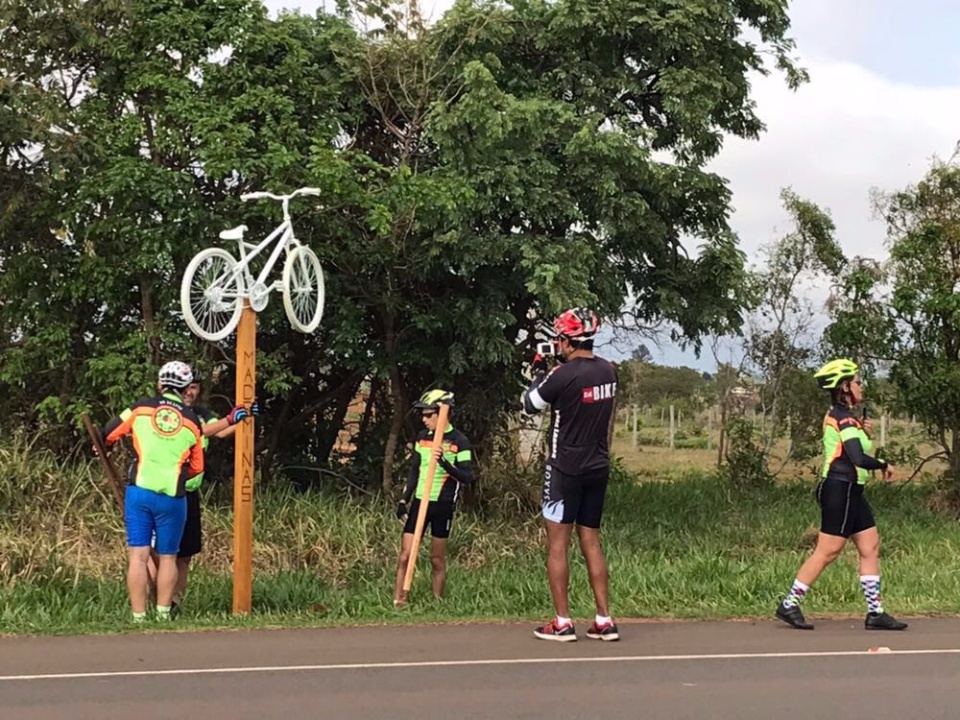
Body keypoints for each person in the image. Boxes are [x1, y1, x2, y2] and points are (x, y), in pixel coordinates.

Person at [775, 358, 908, 631]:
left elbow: (852, 448)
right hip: (840, 489)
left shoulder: (846, 418)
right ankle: (789, 604)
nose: (861, 386)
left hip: (852, 490)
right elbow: (857, 458)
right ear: (845, 386)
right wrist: (883, 464)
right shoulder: (843, 417)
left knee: (870, 545)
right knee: (828, 551)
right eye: (858, 382)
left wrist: (863, 431)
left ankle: (876, 613)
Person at [522, 307, 619, 642]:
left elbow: (531, 404)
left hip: (564, 468)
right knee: (591, 540)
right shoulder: (609, 371)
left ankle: (562, 621)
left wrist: (539, 372)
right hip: (598, 466)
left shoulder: (562, 375)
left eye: (559, 339)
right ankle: (604, 619)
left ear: (566, 340)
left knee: (557, 545)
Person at [170, 370, 243, 617]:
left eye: (195, 387)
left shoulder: (202, 413)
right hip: (166, 490)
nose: (190, 392)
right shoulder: (170, 412)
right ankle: (156, 600)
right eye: (187, 387)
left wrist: (244, 419)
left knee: (185, 553)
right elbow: (202, 430)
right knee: (159, 553)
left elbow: (220, 431)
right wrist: (231, 418)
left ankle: (174, 605)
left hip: (190, 493)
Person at [393, 389, 473, 606]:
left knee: (437, 559)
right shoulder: (422, 438)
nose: (424, 419)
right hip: (420, 501)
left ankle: (437, 604)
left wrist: (445, 463)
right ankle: (399, 600)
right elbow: (414, 471)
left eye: (429, 415)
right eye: (423, 415)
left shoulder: (460, 441)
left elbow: (467, 476)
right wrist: (403, 500)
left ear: (443, 413)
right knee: (405, 555)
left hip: (443, 504)